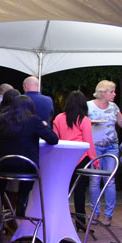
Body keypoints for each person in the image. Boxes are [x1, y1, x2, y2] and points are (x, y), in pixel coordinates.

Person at [0, 95, 58, 243]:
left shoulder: (3, 119)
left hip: (2, 165)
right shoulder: (34, 121)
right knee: (27, 185)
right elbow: (53, 139)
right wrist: (44, 125)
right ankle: (22, 206)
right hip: (26, 167)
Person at [52, 91, 95, 230]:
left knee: (62, 191)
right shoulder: (84, 120)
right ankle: (80, 223)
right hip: (81, 158)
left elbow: (55, 139)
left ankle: (59, 221)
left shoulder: (58, 118)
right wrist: (95, 160)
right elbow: (88, 142)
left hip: (63, 158)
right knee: (79, 192)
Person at [86, 80, 122, 227]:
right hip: (95, 147)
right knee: (95, 181)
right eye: (111, 91)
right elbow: (80, 123)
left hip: (112, 146)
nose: (114, 94)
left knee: (110, 181)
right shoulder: (89, 106)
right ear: (102, 92)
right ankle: (95, 213)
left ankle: (108, 215)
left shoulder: (114, 107)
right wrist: (89, 123)